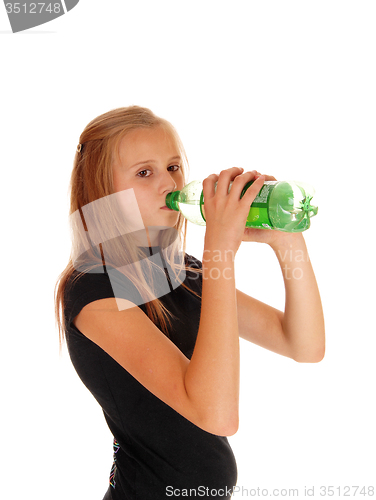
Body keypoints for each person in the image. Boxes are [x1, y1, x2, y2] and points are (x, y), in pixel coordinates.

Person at [54, 106, 325, 500]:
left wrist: (286, 241)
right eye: (145, 173)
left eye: (173, 167)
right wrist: (220, 250)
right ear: (103, 190)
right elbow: (217, 414)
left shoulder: (179, 270)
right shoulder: (95, 292)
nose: (168, 183)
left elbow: (303, 345)